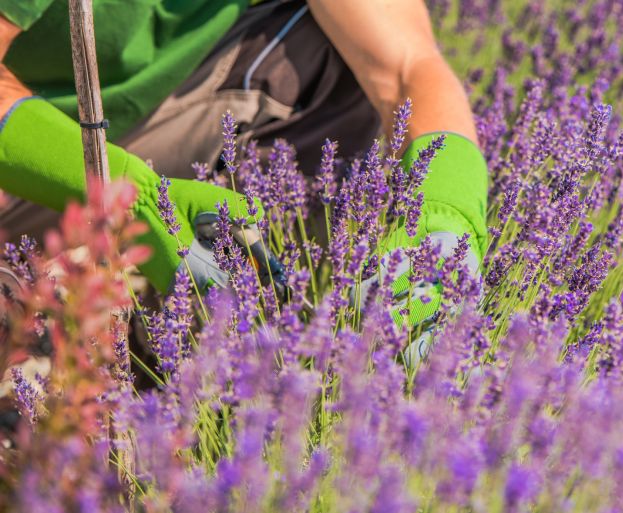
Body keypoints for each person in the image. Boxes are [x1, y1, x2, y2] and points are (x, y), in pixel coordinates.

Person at [0, 1, 488, 369]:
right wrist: (136, 195)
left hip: (134, 124)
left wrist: (445, 216)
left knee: (325, 49)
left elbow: (407, 65)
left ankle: (225, 352)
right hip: (22, 154)